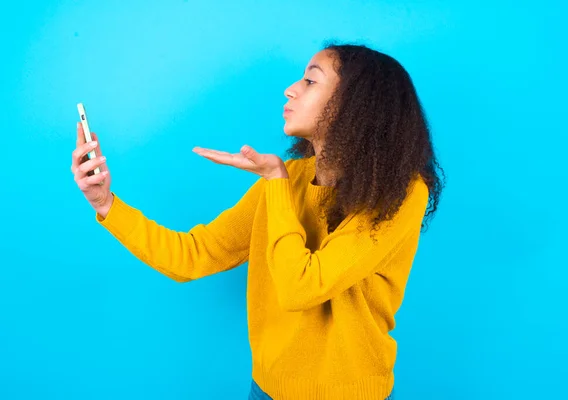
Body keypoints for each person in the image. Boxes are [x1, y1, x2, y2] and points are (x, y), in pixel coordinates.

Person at [71, 41, 445, 400]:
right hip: (265, 390)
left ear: (355, 104)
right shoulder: (287, 178)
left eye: (310, 81)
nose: (290, 90)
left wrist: (276, 183)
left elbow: (302, 287)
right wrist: (105, 202)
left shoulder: (402, 194)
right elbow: (190, 256)